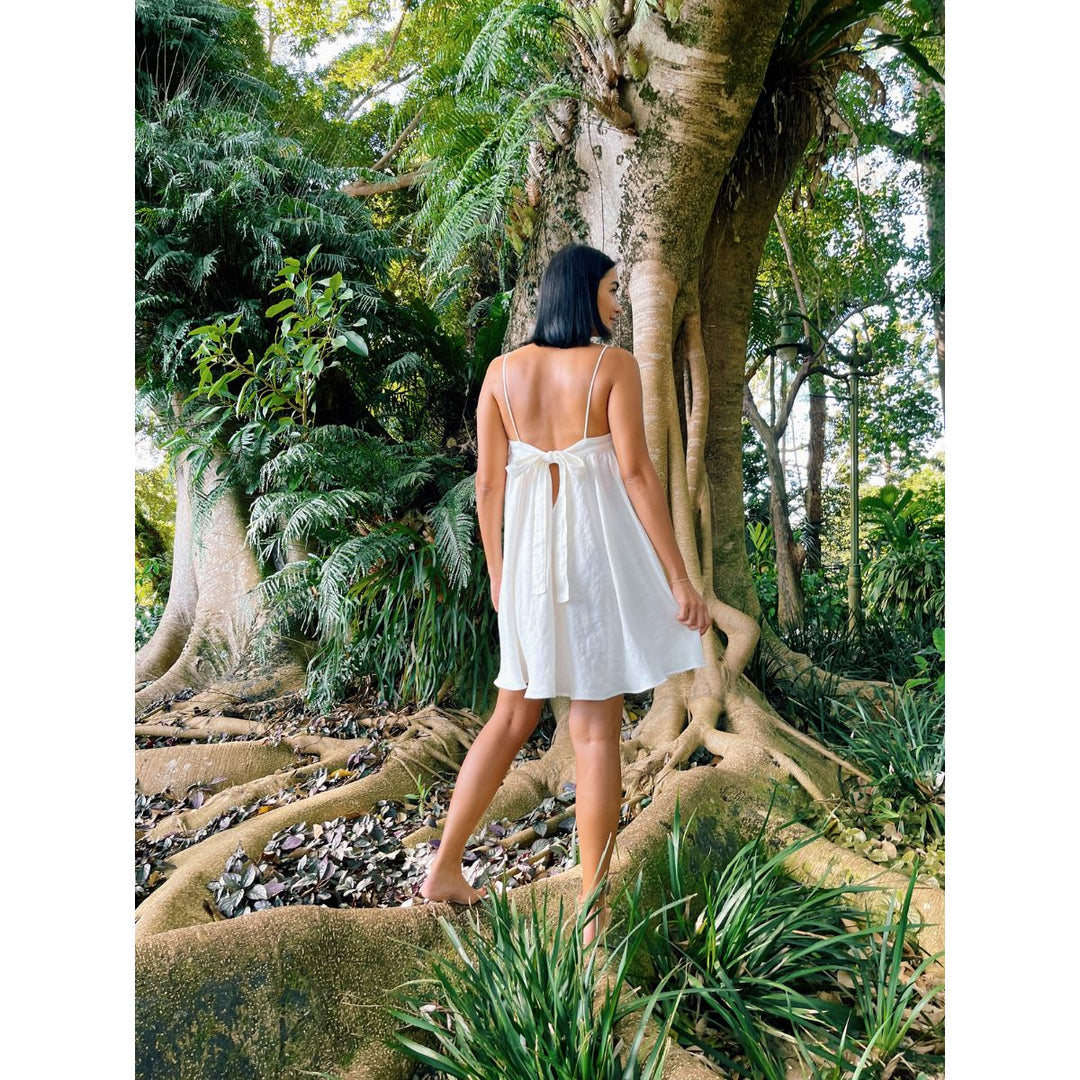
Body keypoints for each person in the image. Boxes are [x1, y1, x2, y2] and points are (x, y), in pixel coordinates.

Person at [418, 244, 710, 946]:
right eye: (612, 290)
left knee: (509, 716)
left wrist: (497, 573)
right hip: (589, 559)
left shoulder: (500, 373)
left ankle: (445, 867)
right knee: (593, 731)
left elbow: (487, 486)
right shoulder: (612, 367)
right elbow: (637, 475)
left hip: (524, 567)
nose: (618, 303)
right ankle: (592, 912)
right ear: (582, 294)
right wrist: (678, 576)